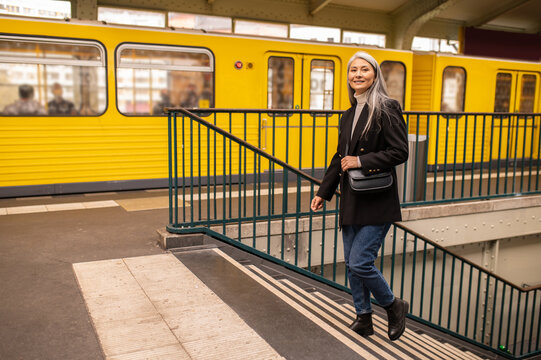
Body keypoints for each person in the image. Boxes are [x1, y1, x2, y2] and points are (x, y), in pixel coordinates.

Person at [310, 51, 409, 341]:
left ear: (375, 75)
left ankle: (393, 305)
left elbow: (400, 151)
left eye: (364, 69)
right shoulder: (349, 114)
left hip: (377, 199)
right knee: (352, 263)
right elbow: (340, 157)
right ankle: (363, 317)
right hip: (353, 197)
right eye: (353, 70)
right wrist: (323, 192)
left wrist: (361, 161)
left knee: (360, 262)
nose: (357, 74)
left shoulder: (387, 107)